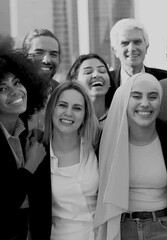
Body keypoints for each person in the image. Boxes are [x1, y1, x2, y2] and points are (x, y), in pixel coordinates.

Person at [93, 73, 167, 240]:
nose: (145, 103)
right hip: (121, 229)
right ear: (125, 100)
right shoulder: (107, 140)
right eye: (136, 96)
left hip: (166, 229)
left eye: (153, 97)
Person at [0, 34, 51, 240]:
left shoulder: (27, 135)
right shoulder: (34, 151)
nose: (15, 91)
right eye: (2, 88)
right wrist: (30, 166)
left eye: (17, 82)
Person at [43, 81, 99, 240]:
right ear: (51, 109)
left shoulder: (97, 146)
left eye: (77, 108)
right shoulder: (38, 154)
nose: (69, 113)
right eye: (62, 105)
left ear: (85, 116)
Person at [109, 18, 167, 88]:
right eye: (125, 43)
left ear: (146, 47)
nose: (131, 48)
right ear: (115, 50)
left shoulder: (166, 80)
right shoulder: (106, 82)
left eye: (137, 42)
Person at [22, 28, 62, 130]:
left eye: (53, 54)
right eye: (39, 53)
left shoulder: (63, 92)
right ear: (24, 56)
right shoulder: (12, 92)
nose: (46, 60)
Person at [67, 53, 117, 127]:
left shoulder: (121, 117)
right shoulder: (68, 118)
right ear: (75, 82)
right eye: (88, 72)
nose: (96, 75)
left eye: (102, 71)